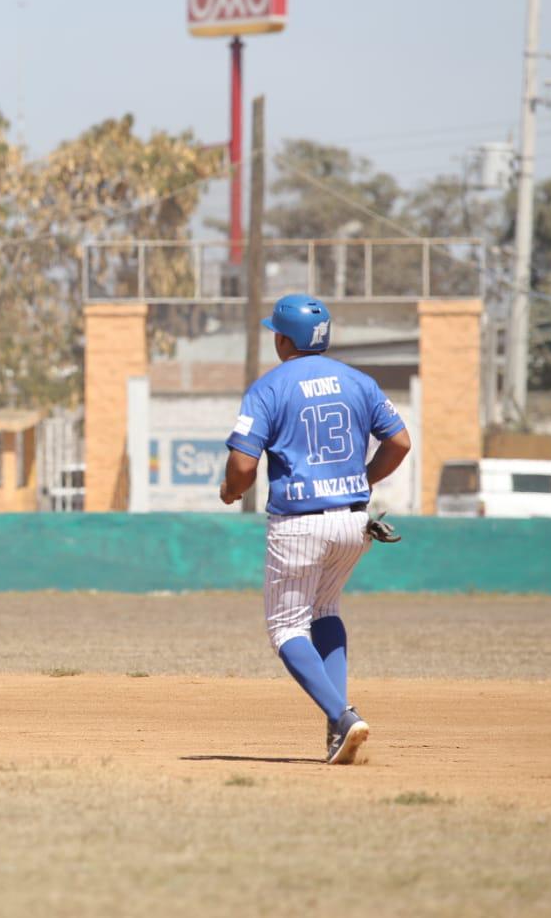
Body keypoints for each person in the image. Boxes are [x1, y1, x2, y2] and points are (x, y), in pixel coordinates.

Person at [218, 294, 411, 764]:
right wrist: (360, 479)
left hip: (300, 524)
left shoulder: (269, 387)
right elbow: (400, 442)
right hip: (354, 521)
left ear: (284, 339)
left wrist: (230, 491)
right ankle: (336, 728)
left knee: (286, 628)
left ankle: (343, 717)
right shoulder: (359, 382)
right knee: (324, 611)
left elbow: (243, 466)